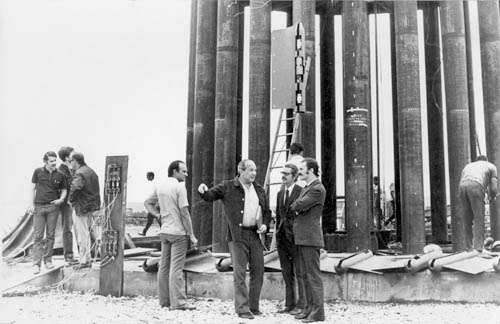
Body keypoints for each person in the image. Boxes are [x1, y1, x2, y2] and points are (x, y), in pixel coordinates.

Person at [198, 159, 271, 320]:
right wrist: (203, 190)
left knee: (258, 271)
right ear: (241, 171)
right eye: (250, 170)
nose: (254, 173)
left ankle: (253, 306)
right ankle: (242, 308)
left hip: (255, 235)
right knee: (239, 272)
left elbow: (267, 212)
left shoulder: (259, 189)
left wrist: (265, 225)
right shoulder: (228, 186)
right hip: (237, 236)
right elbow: (210, 196)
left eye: (255, 170)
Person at [144, 160, 197, 311]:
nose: (186, 174)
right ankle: (178, 303)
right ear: (175, 171)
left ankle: (164, 301)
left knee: (164, 266)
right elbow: (185, 213)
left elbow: (147, 203)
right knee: (176, 268)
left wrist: (157, 215)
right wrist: (191, 234)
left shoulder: (161, 185)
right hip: (178, 232)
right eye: (184, 171)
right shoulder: (179, 187)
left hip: (165, 231)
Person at [290, 158, 325, 323]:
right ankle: (309, 309)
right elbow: (297, 204)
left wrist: (297, 205)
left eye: (302, 169)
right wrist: (298, 205)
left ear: (311, 170)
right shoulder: (309, 188)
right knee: (305, 275)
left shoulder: (317, 189)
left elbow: (296, 205)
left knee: (313, 276)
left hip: (310, 238)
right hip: (303, 237)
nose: (300, 172)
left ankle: (317, 313)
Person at [30, 151, 68, 274]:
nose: (54, 163)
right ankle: (36, 264)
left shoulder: (60, 174)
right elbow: (32, 188)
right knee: (38, 236)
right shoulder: (38, 172)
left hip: (53, 208)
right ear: (45, 161)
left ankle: (48, 261)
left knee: (50, 235)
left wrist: (61, 199)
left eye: (55, 160)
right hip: (39, 207)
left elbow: (64, 189)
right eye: (51, 161)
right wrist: (31, 205)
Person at [275, 163, 305, 315]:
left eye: (286, 174)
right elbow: (280, 216)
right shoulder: (280, 194)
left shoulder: (302, 192)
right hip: (282, 238)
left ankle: (302, 305)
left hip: (295, 238)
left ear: (294, 176)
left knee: (300, 272)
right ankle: (289, 304)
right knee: (286, 272)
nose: (283, 176)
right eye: (283, 173)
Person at [68, 152, 101, 269]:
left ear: (76, 161)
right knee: (89, 234)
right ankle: (89, 259)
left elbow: (75, 188)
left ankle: (84, 261)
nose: (70, 163)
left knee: (82, 235)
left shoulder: (80, 173)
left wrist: (70, 200)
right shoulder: (91, 171)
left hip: (81, 207)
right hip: (92, 207)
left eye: (71, 161)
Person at [458, 155, 498, 250]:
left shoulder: (468, 166)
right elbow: (493, 187)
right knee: (479, 218)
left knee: (467, 219)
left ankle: (468, 248)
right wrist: (492, 196)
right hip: (476, 185)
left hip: (462, 187)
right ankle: (478, 248)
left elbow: (463, 179)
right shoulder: (491, 166)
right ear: (486, 160)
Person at [57, 146, 78, 265]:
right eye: (72, 154)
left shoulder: (71, 169)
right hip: (66, 204)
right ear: (66, 157)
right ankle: (69, 256)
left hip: (72, 203)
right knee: (67, 229)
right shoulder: (62, 171)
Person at [140, 171, 162, 236]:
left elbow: (159, 194)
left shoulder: (156, 183)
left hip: (156, 204)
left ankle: (163, 232)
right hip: (153, 205)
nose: (147, 178)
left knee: (157, 219)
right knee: (150, 219)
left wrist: (157, 204)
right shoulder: (153, 183)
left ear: (151, 176)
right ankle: (144, 232)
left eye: (147, 176)